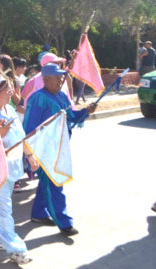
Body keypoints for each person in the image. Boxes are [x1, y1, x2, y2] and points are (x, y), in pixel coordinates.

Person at [23, 63, 96, 236]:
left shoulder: (62, 95)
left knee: (47, 182)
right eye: (58, 77)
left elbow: (71, 117)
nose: (61, 79)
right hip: (45, 150)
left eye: (62, 76)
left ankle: (38, 214)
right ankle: (64, 223)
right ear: (47, 79)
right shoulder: (38, 98)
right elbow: (30, 127)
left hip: (60, 147)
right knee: (56, 182)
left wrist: (86, 111)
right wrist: (30, 153)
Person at [0, 76, 35, 265]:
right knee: (4, 210)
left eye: (11, 87)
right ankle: (17, 249)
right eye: (6, 88)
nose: (11, 91)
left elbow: (21, 137)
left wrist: (30, 156)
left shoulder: (10, 109)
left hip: (13, 168)